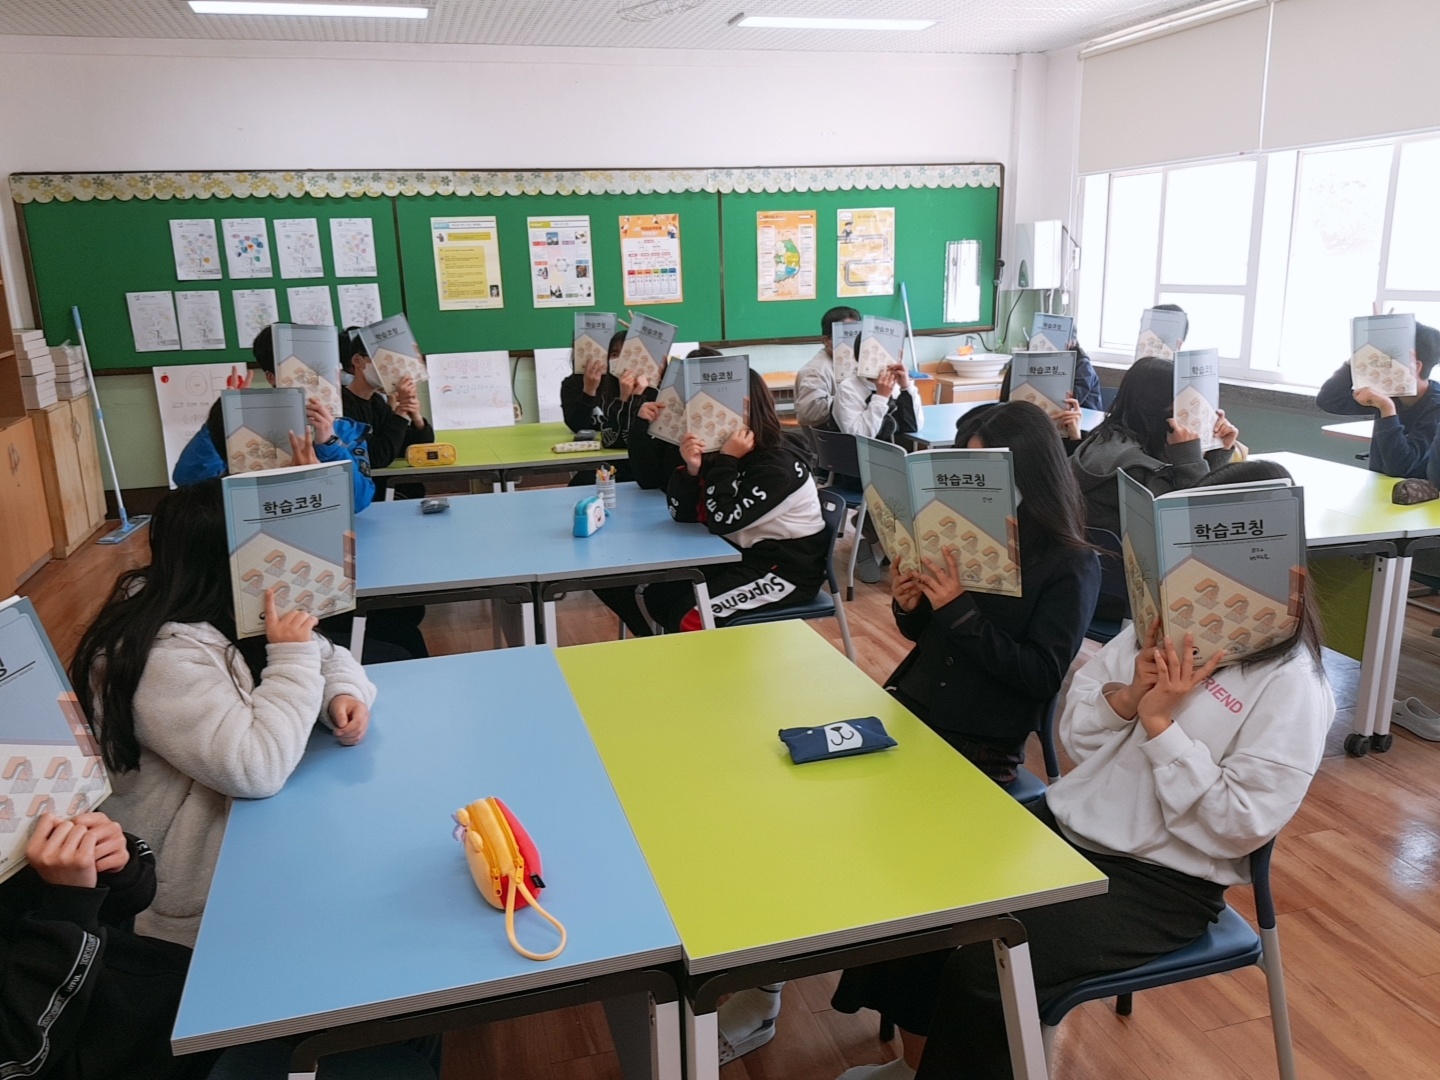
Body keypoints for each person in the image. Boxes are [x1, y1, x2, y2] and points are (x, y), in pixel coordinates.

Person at [826, 460, 1333, 1080]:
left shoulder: (1292, 683)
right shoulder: (1162, 624)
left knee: (986, 965)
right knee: (919, 887)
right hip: (1068, 829)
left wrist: (1161, 726)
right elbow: (1076, 734)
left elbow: (1239, 825)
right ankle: (915, 1066)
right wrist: (1129, 699)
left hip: (1163, 882)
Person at [69, 480, 375, 948]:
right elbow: (255, 769)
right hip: (199, 883)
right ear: (226, 564)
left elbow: (323, 651)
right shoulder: (159, 657)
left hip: (253, 829)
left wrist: (340, 692)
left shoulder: (226, 607)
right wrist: (291, 658)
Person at [886, 401, 1100, 785]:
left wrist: (958, 611)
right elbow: (923, 634)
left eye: (985, 471)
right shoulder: (958, 531)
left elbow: (1042, 676)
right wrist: (909, 605)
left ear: (1028, 473)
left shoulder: (1068, 561)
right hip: (915, 698)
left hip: (980, 735)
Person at [0, 811, 217, 1080]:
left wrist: (113, 866)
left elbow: (113, 913)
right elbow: (17, 1057)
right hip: (119, 1051)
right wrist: (70, 904)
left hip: (167, 990)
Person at [632, 369, 829, 634]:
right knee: (660, 595)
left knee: (690, 615)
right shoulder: (725, 452)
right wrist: (691, 470)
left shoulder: (776, 465)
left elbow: (721, 520)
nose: (706, 416)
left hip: (785, 571)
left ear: (748, 408)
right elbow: (684, 515)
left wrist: (727, 461)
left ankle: (709, 660)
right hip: (741, 556)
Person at [173, 326, 375, 512]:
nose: (313, 380)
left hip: (326, 528)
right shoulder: (249, 428)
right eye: (297, 370)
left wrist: (329, 443)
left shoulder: (346, 430)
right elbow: (189, 481)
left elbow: (359, 502)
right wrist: (223, 419)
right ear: (272, 378)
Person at [1070, 356, 1240, 539]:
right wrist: (1188, 457)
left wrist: (1218, 449)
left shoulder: (1108, 436)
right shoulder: (1138, 468)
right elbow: (1197, 521)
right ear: (1157, 405)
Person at [1317, 321, 1440, 479]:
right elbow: (1329, 400)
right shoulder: (1391, 393)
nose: (1377, 366)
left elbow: (1400, 467)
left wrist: (1387, 409)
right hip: (1380, 486)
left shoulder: (1435, 407)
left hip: (1417, 492)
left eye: (1386, 360)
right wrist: (1356, 358)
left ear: (1414, 366)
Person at [339, 328, 435, 477]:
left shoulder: (376, 402)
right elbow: (377, 458)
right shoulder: (342, 406)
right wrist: (401, 413)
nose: (393, 371)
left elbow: (408, 447)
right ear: (358, 361)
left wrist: (416, 418)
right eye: (384, 362)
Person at [560, 329, 645, 484]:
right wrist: (589, 390)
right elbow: (578, 426)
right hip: (604, 460)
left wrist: (631, 397)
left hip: (638, 462)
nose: (619, 360)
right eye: (614, 354)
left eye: (625, 354)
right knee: (581, 483)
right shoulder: (575, 384)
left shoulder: (644, 387)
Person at [833, 347, 923, 443]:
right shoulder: (848, 388)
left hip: (896, 449)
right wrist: (881, 398)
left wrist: (906, 388)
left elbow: (913, 427)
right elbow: (860, 439)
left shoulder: (895, 384)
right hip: (865, 451)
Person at [794, 305, 861, 430]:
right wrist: (852, 397)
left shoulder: (860, 363)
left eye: (856, 336)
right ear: (827, 340)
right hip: (835, 438)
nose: (852, 343)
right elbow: (808, 413)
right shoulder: (815, 371)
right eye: (846, 336)